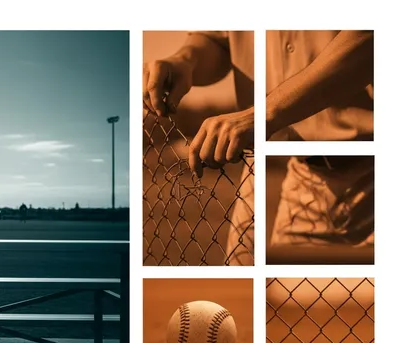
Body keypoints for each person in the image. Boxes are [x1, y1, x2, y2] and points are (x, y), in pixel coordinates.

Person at [143, 31, 374, 263]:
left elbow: (371, 36)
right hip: (300, 172)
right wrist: (185, 61)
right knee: (256, 289)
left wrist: (263, 114)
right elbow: (220, 39)